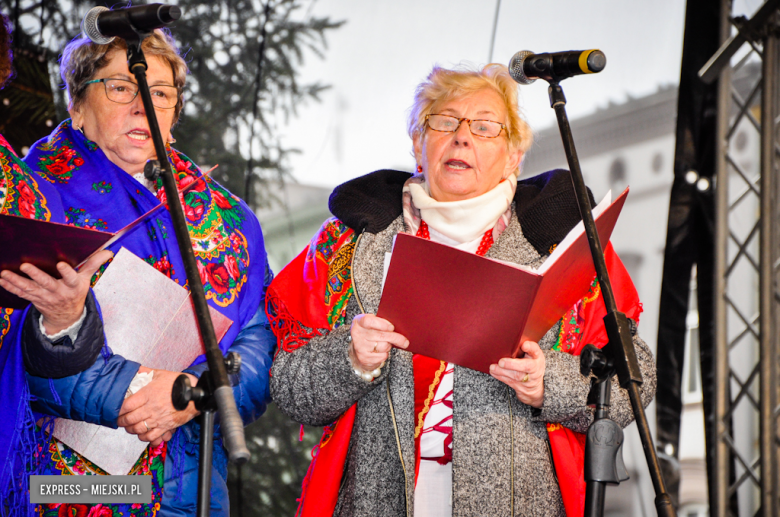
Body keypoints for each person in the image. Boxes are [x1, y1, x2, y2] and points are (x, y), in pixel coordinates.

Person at [268, 63, 656, 517]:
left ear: (514, 155)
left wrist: (548, 383)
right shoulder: (350, 242)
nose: (462, 137)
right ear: (418, 142)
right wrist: (350, 359)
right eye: (444, 121)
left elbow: (637, 380)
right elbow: (289, 386)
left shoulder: (565, 243)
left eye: (486, 127)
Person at [0, 29, 275, 516]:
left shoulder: (229, 219)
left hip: (192, 486)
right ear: (78, 107)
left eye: (160, 92)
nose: (142, 103)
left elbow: (259, 343)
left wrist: (190, 395)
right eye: (120, 87)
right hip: (70, 484)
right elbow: (16, 351)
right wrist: (149, 393)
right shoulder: (31, 198)